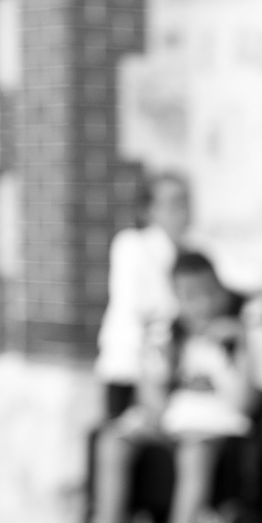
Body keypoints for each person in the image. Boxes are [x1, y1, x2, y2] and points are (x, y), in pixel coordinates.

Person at [83, 250, 262, 523]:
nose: (203, 304)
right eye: (190, 295)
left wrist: (237, 344)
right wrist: (156, 366)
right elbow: (153, 402)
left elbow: (246, 402)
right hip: (171, 428)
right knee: (110, 441)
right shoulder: (168, 334)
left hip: (220, 435)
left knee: (194, 454)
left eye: (209, 292)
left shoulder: (249, 327)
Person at [93, 170, 191, 421]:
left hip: (173, 370)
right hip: (130, 367)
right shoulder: (132, 245)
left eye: (185, 201)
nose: (182, 211)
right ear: (149, 210)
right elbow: (137, 308)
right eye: (172, 203)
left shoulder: (192, 252)